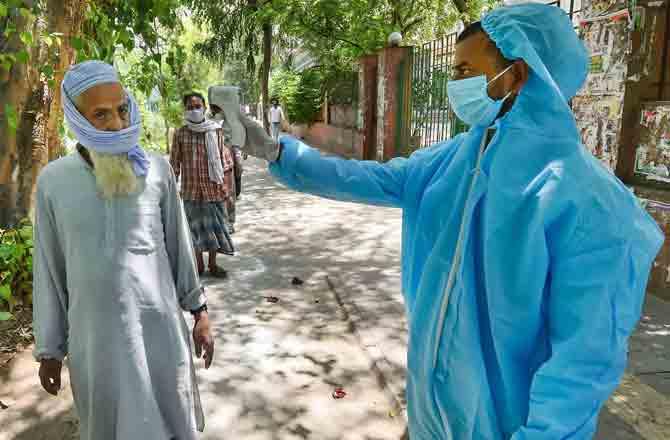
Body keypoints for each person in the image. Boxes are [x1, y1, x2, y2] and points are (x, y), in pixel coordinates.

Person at [240, 4, 664, 439]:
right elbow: (372, 178)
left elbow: (584, 359)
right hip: (432, 414)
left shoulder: (590, 203)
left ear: (516, 75)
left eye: (465, 71)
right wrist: (279, 151)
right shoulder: (457, 158)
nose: (454, 84)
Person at [33, 61, 214, 440]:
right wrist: (49, 348)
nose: (116, 123)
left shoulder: (157, 171)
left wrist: (200, 313)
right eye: (100, 114)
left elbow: (179, 249)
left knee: (172, 422)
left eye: (121, 109)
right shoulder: (53, 183)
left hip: (160, 335)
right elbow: (49, 272)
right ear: (76, 119)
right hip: (96, 344)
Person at [170, 92, 235, 277]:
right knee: (195, 230)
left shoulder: (215, 131)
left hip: (213, 189)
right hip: (191, 192)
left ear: (205, 108)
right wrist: (171, 190)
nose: (194, 110)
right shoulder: (180, 134)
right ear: (185, 110)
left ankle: (213, 265)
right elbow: (174, 164)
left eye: (197, 106)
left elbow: (225, 162)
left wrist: (227, 190)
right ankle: (199, 265)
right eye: (190, 107)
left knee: (215, 229)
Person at [209, 86, 246, 230]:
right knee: (219, 191)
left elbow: (239, 138)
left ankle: (229, 221)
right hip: (214, 159)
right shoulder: (209, 118)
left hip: (229, 157)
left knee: (230, 191)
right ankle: (223, 222)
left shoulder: (232, 118)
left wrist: (240, 155)